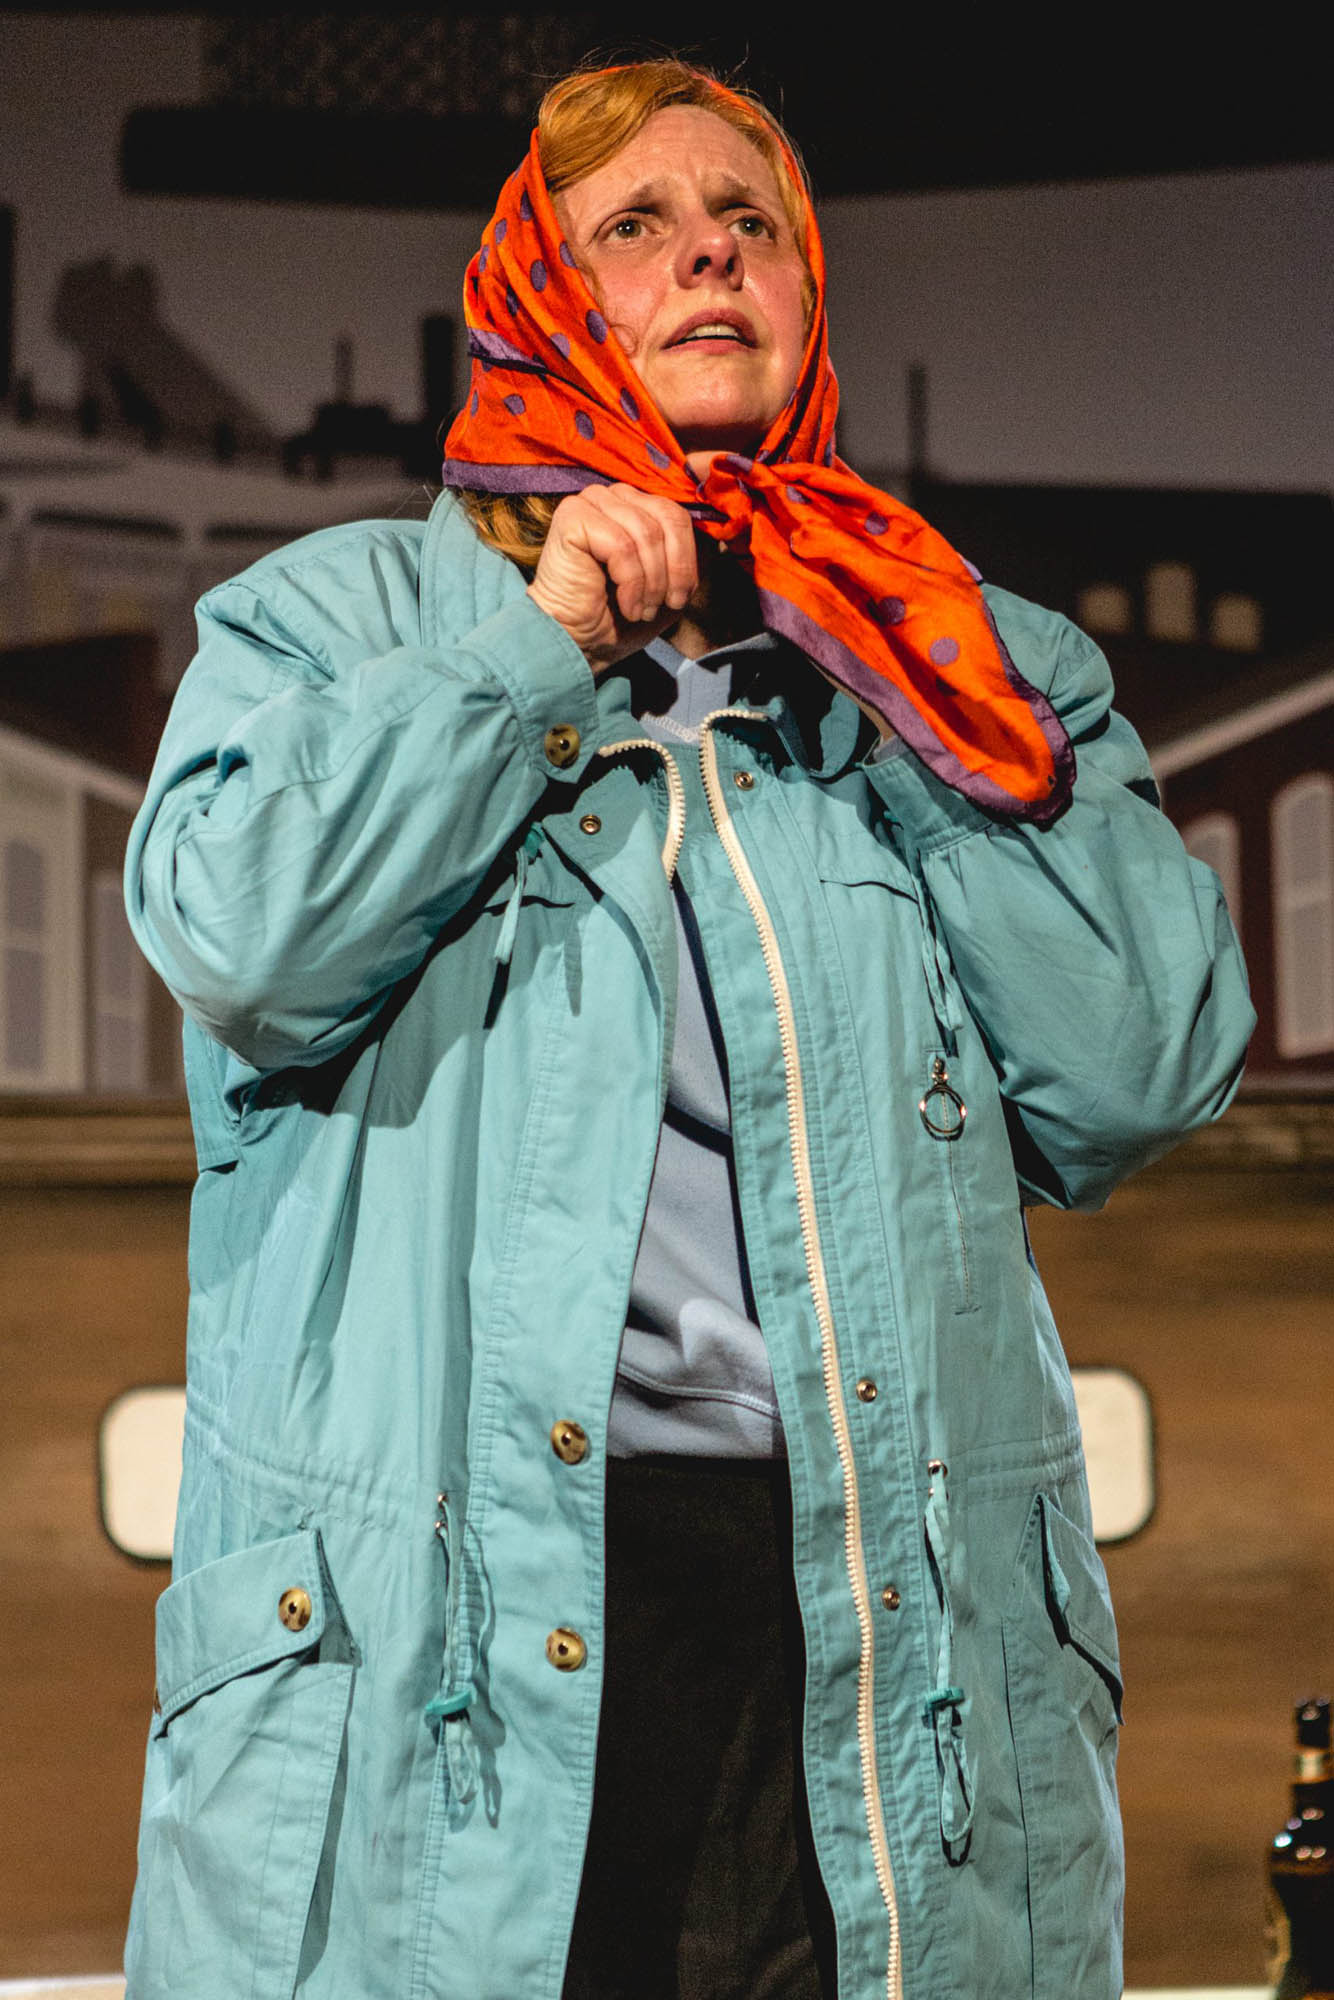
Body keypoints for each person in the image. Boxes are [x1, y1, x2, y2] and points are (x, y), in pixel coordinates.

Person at [122, 58, 1253, 2000]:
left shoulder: (963, 655)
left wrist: (907, 690)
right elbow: (242, 935)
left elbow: (1142, 1064)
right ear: (533, 299)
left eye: (750, 223)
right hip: (451, 1638)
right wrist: (534, 646)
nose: (708, 253)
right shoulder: (335, 624)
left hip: (863, 1631)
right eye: (634, 225)